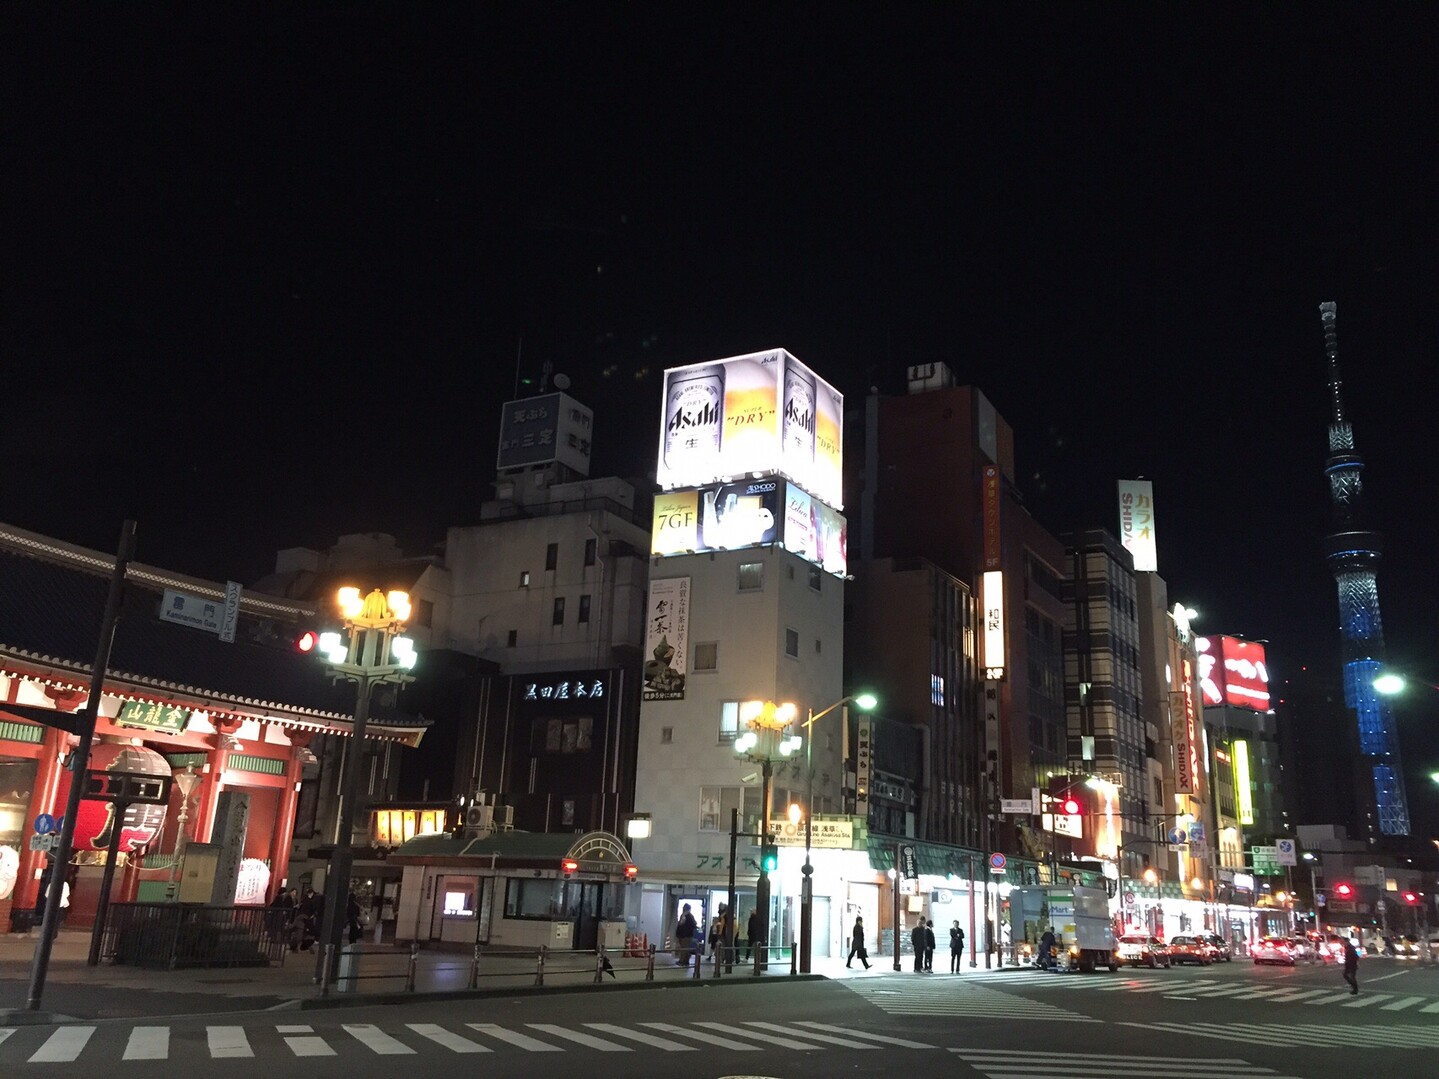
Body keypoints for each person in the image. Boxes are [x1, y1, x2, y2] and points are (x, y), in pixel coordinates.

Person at [675, 903, 698, 968]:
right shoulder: (685, 915)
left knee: (684, 948)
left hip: (686, 935)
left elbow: (692, 925)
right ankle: (685, 961)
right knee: (685, 948)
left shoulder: (688, 916)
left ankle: (682, 961)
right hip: (684, 935)